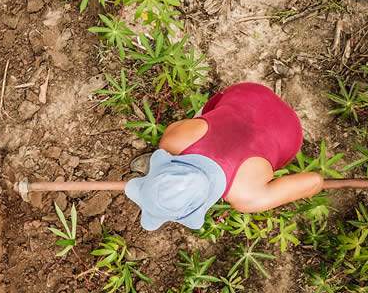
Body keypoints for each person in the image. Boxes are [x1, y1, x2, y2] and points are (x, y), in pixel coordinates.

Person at [125, 82, 323, 231]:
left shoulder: (246, 197)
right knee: (203, 120)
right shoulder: (173, 142)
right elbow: (176, 128)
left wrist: (300, 191)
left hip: (289, 131)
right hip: (250, 94)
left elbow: (314, 181)